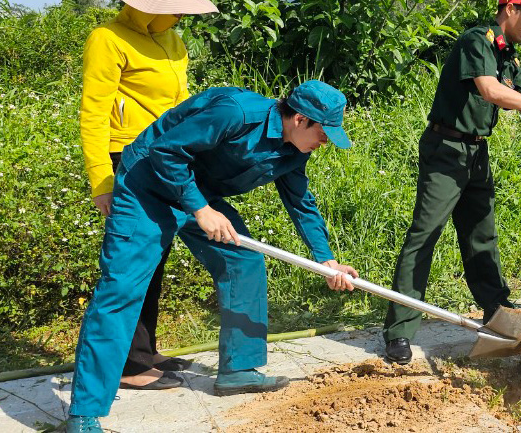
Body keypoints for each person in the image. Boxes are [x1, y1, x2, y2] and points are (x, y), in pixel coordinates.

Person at [66, 82, 359, 433]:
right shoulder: (235, 113)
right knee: (121, 289)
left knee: (243, 260)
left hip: (197, 193)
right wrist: (201, 209)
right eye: (324, 134)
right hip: (149, 184)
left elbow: (300, 201)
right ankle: (84, 413)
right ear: (300, 119)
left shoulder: (295, 149)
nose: (325, 143)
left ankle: (239, 369)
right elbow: (165, 152)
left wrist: (325, 261)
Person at [382, 0, 521, 365]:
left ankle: (497, 312)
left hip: (476, 152)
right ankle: (399, 330)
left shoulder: (510, 58)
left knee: (482, 235)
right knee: (425, 233)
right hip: (446, 149)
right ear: (510, 9)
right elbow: (490, 91)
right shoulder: (476, 40)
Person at [81, 0, 217, 391]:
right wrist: (102, 179)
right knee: (132, 261)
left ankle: (143, 350)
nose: (179, 14)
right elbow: (93, 113)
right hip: (128, 160)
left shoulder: (174, 41)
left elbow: (183, 106)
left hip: (169, 159)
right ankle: (129, 365)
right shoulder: (108, 38)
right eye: (171, 6)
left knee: (156, 256)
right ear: (145, 2)